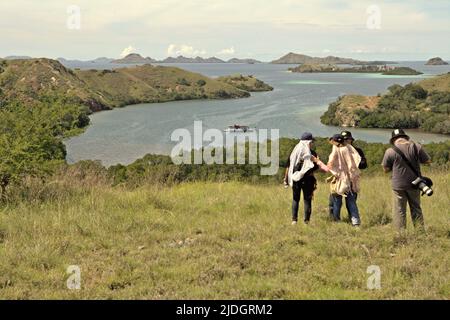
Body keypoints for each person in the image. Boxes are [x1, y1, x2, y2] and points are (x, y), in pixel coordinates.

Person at [381, 129, 431, 231]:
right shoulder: (416, 146)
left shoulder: (390, 151)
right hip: (416, 184)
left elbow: (385, 169)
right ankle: (420, 232)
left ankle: (400, 235)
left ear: (393, 140)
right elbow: (428, 161)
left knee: (399, 211)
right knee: (416, 208)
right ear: (406, 138)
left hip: (398, 185)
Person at [283, 132, 325, 225]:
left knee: (295, 199)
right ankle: (306, 221)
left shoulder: (294, 153)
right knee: (307, 200)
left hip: (295, 179)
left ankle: (294, 220)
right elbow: (315, 168)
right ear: (309, 142)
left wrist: (286, 179)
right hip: (308, 180)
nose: (312, 144)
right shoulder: (312, 154)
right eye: (311, 142)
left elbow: (288, 167)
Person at [324, 134, 362, 226]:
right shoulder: (347, 148)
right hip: (350, 179)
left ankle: (336, 220)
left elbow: (331, 164)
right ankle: (355, 221)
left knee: (337, 201)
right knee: (351, 201)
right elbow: (352, 164)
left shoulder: (336, 150)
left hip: (339, 179)